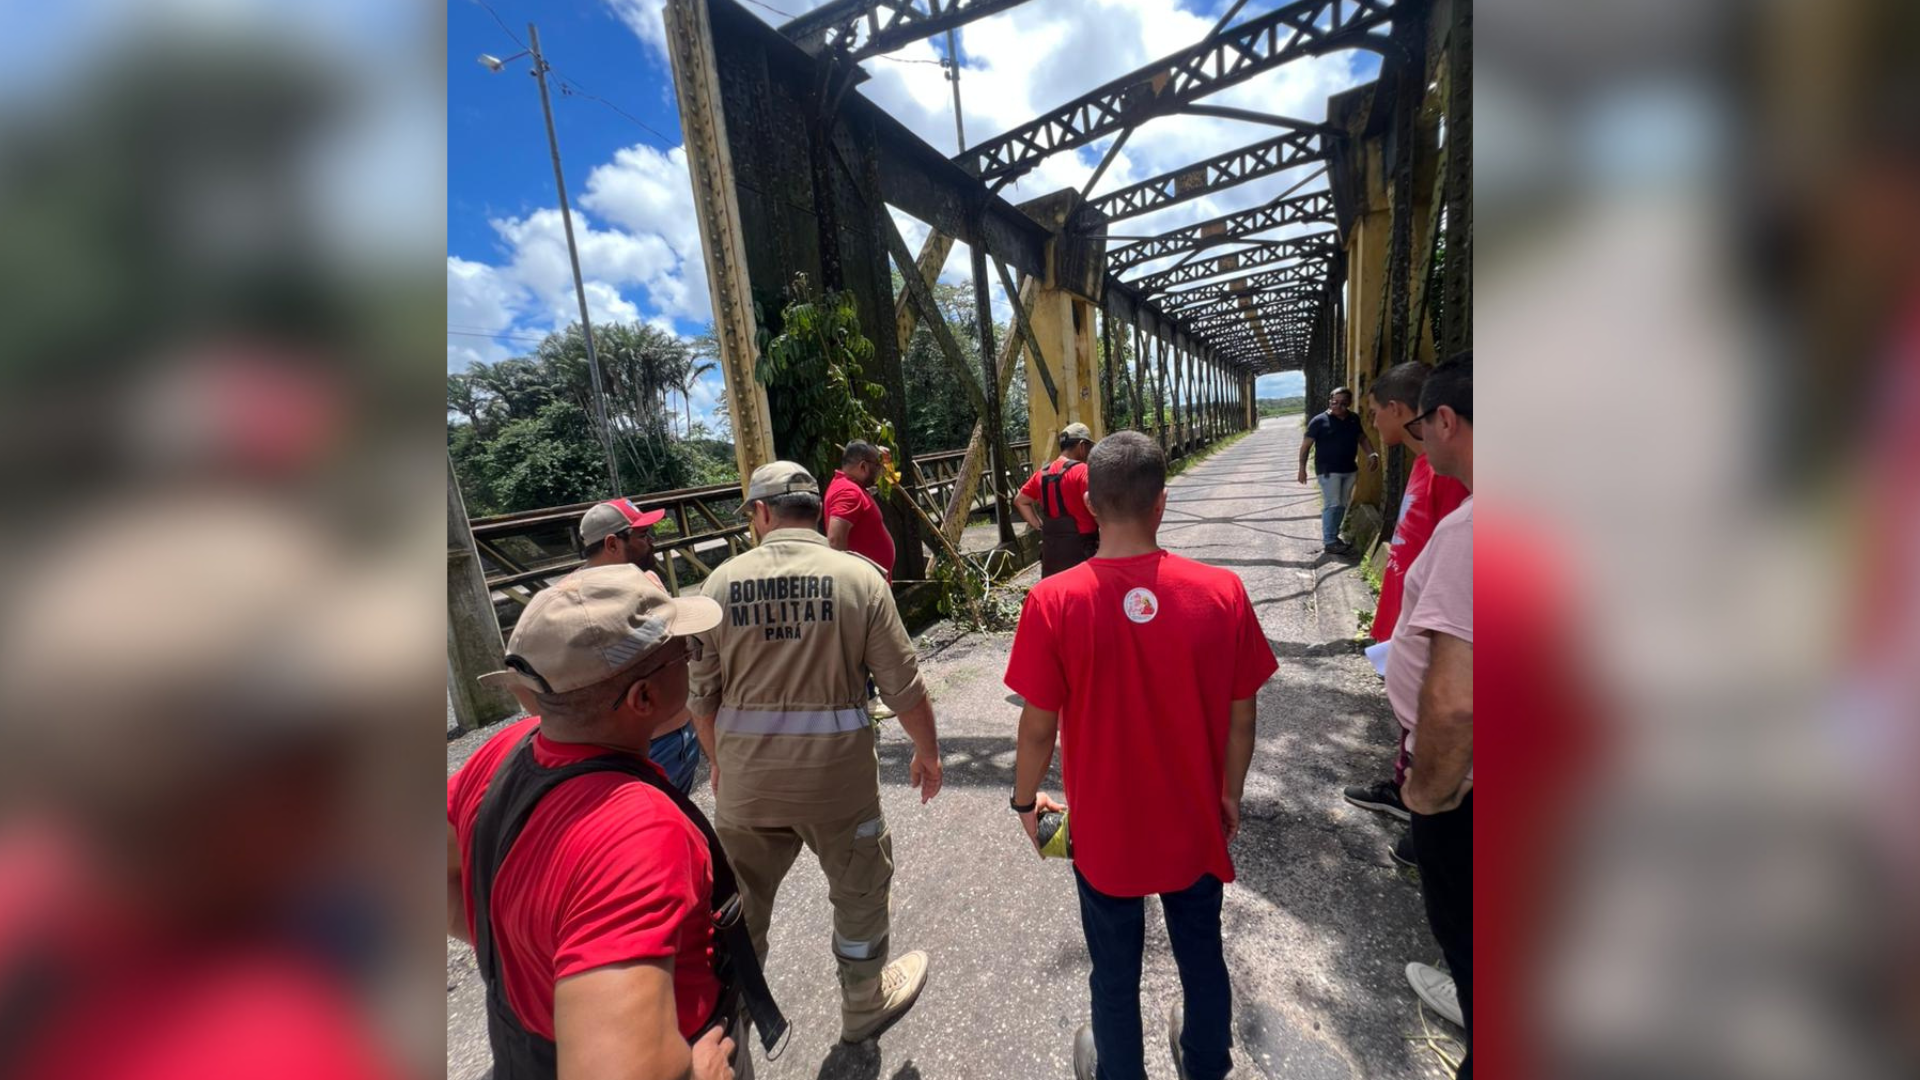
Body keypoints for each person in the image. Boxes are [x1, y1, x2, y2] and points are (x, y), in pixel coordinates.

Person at [1004, 432, 1279, 1080]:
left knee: (1114, 970)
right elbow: (1244, 715)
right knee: (1201, 955)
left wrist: (1024, 802)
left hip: (1104, 832)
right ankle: (1207, 1063)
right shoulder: (1222, 592)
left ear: (1090, 508)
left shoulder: (1053, 602)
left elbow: (1037, 730)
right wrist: (1229, 793)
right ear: (1162, 504)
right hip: (1193, 822)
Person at [447, 565, 749, 1080]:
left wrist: (528, 950)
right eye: (685, 653)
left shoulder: (497, 755)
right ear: (643, 699)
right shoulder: (639, 831)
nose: (692, 658)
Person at [688, 462, 944, 1045]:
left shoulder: (718, 585)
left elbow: (701, 697)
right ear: (813, 507)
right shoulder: (858, 580)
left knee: (738, 909)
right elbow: (904, 686)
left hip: (747, 787)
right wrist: (926, 752)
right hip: (838, 786)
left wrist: (720, 763)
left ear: (760, 513)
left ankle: (727, 1026)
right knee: (859, 892)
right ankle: (861, 1005)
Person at [1386, 353, 1473, 1077]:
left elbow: (1455, 698)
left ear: (1446, 420)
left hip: (1468, 781)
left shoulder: (1474, 531)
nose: (1420, 441)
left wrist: (1427, 790)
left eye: (1424, 426)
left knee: (1468, 920)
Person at [1342, 363, 1470, 826]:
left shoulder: (1449, 477)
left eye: (1376, 412)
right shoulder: (1426, 465)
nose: (1373, 422)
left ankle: (1421, 805)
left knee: (1425, 730)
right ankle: (1405, 790)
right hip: (1403, 629)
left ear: (1398, 409)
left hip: (1433, 641)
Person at [579, 497, 704, 794]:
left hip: (678, 737)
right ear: (612, 544)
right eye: (643, 536)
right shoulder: (582, 604)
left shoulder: (645, 579)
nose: (652, 543)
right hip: (648, 746)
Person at [1297, 387, 1378, 555]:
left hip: (1349, 469)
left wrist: (1372, 454)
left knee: (1341, 505)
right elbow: (1306, 446)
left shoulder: (1353, 419)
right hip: (1328, 470)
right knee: (1332, 504)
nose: (1338, 406)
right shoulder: (1319, 421)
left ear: (1349, 404)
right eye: (1335, 402)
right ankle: (1329, 540)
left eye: (1343, 403)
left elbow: (1361, 438)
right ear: (1330, 401)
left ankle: (1334, 536)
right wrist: (1302, 468)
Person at [1014, 422, 1101, 577]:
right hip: (1082, 553)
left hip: (1051, 554)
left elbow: (1020, 501)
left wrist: (1039, 526)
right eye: (1089, 448)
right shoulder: (1083, 471)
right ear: (1082, 446)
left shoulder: (1042, 474)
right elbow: (1097, 507)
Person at [824, 441, 896, 581]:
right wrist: (848, 584)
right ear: (863, 466)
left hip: (871, 584)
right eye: (877, 465)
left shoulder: (851, 487)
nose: (880, 470)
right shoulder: (848, 492)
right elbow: (835, 540)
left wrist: (886, 458)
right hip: (864, 588)